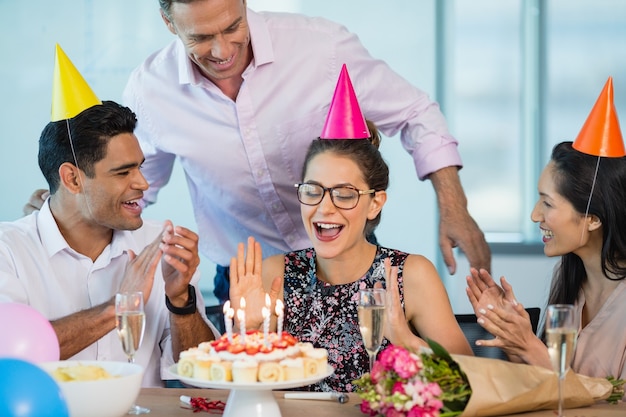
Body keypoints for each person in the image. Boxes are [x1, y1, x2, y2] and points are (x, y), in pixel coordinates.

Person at [25, 0, 491, 303]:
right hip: (244, 281)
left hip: (344, 265)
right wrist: (64, 214)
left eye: (232, 27)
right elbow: (135, 187)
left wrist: (455, 207)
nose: (223, 49)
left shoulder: (320, 47)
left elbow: (414, 112)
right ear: (168, 21)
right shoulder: (152, 89)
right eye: (201, 38)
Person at [229, 68, 473, 392]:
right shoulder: (272, 276)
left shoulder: (410, 276)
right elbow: (242, 393)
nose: (324, 208)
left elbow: (467, 382)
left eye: (344, 194)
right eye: (313, 191)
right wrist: (250, 335)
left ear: (375, 203)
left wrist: (404, 339)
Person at [0, 46, 218, 387]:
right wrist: (121, 306)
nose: (143, 183)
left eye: (140, 167)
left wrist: (181, 301)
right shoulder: (9, 251)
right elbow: (12, 357)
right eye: (122, 172)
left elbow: (202, 377)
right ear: (72, 178)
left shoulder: (159, 243)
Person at [465, 78, 626, 384]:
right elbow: (545, 385)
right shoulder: (569, 280)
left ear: (592, 219)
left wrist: (529, 344)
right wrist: (511, 333)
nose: (535, 214)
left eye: (548, 203)